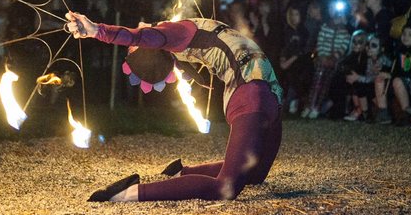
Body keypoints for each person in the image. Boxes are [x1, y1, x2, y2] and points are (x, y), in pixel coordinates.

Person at [65, 12, 283, 202]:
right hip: (253, 96)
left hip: (271, 95)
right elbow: (137, 35)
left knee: (256, 174)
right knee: (226, 187)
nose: (143, 27)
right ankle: (127, 192)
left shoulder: (181, 33)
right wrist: (96, 30)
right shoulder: (172, 34)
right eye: (138, 45)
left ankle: (180, 172)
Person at [301, 1, 351, 119]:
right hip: (322, 59)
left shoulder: (345, 32)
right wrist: (323, 56)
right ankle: (310, 105)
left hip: (334, 62)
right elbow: (320, 42)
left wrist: (333, 58)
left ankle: (317, 107)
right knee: (317, 79)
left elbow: (343, 47)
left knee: (325, 83)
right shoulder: (325, 27)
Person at [374, 24, 411, 125]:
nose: (406, 37)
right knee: (379, 78)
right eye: (404, 33)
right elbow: (396, 68)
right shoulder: (400, 50)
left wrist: (391, 75)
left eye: (410, 35)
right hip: (399, 80)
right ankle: (383, 112)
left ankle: (407, 114)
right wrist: (384, 69)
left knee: (396, 81)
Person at [279, 6, 307, 115]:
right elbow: (283, 47)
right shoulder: (286, 31)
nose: (294, 18)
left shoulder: (303, 31)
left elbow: (302, 50)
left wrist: (288, 62)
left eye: (297, 15)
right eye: (292, 15)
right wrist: (283, 59)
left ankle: (292, 102)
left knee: (294, 75)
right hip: (287, 60)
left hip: (300, 61)